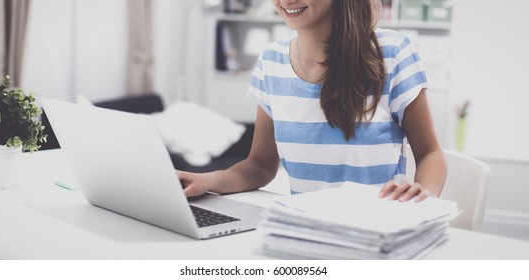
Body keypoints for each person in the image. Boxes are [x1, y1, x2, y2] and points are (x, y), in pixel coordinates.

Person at [178, 0, 446, 203]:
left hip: (376, 234)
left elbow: (430, 153)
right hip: (305, 234)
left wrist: (423, 195)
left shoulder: (392, 53)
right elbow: (259, 166)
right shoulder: (271, 61)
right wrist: (207, 180)